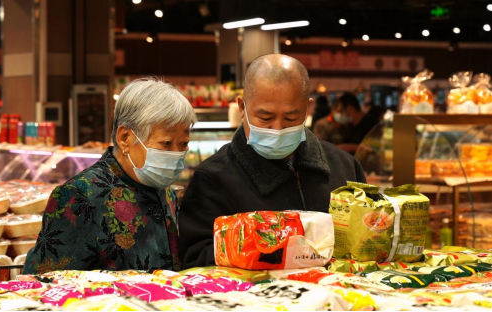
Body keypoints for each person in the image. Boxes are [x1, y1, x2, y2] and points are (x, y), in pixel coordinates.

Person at [179, 54, 367, 269]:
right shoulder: (213, 178)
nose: (277, 129)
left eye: (290, 119)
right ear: (242, 108)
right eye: (265, 118)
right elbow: (194, 258)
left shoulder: (344, 167)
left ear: (308, 108)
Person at [24, 79, 197, 274]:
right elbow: (42, 281)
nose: (175, 154)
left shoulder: (163, 189)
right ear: (125, 138)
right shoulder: (79, 196)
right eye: (166, 144)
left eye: (183, 144)